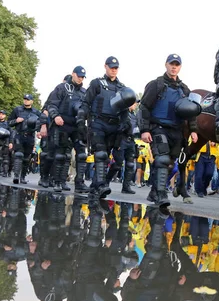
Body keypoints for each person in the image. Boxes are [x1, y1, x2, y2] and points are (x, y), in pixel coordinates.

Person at [139, 54, 199, 206]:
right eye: (171, 64)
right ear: (166, 65)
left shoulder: (184, 89)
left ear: (180, 67)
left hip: (177, 131)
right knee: (162, 159)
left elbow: (191, 111)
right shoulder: (156, 85)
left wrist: (193, 130)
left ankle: (153, 191)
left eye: (177, 65)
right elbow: (144, 107)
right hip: (158, 128)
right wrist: (144, 130)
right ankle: (160, 194)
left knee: (171, 164)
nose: (174, 67)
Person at [80, 56, 136, 198]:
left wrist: (126, 126)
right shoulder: (96, 83)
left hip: (115, 127)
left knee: (110, 159)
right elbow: (86, 102)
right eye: (111, 67)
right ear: (105, 66)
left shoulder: (121, 88)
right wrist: (81, 119)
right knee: (100, 154)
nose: (113, 69)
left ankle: (96, 186)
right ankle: (101, 186)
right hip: (98, 123)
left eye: (116, 67)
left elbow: (124, 110)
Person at [44, 66, 90, 193]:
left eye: (82, 77)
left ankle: (79, 183)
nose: (80, 79)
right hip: (62, 124)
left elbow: (88, 109)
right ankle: (58, 181)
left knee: (81, 154)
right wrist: (56, 116)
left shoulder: (85, 92)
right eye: (78, 75)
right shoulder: (61, 88)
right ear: (73, 74)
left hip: (77, 125)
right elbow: (52, 105)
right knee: (61, 154)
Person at [106, 101, 139, 194]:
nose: (135, 105)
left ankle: (126, 187)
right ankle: (106, 182)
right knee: (118, 164)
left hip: (131, 140)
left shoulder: (134, 115)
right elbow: (118, 127)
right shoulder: (122, 113)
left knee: (130, 165)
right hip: (121, 140)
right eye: (134, 103)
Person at [8, 94, 42, 184]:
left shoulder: (36, 112)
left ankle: (22, 177)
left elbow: (40, 123)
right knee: (18, 155)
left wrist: (39, 131)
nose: (26, 101)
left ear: (32, 101)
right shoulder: (17, 110)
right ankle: (16, 176)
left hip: (30, 136)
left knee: (27, 158)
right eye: (25, 99)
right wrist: (16, 121)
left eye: (28, 99)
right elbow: (9, 122)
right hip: (19, 135)